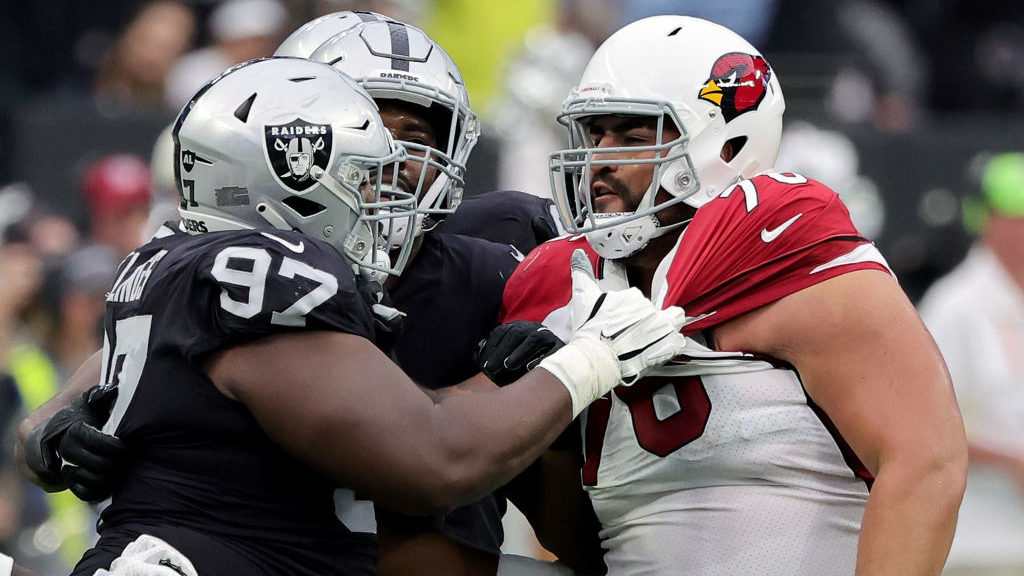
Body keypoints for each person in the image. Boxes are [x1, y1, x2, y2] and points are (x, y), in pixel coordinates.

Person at [16, 56, 686, 575]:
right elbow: (435, 458)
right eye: (364, 156)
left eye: (411, 138)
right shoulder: (261, 268)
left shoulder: (492, 249)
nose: (385, 183)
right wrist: (589, 355)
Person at [485, 15, 968, 575]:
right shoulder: (564, 281)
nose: (602, 160)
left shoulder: (782, 243)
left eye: (634, 136)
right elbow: (577, 540)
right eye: (595, 135)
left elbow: (926, 461)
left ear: (726, 143)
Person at [917, 152, 1024, 576]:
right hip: (977, 543)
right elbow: (925, 424)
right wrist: (1012, 461)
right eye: (1016, 217)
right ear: (989, 220)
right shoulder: (954, 306)